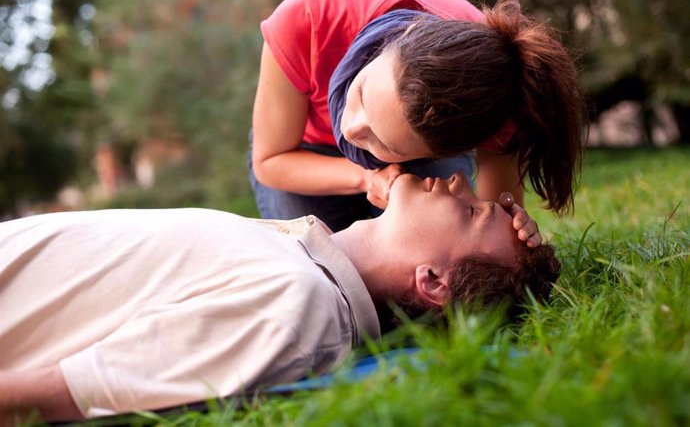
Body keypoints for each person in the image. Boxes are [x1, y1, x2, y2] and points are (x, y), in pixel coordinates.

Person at [0, 173, 560, 424]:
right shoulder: (300, 262)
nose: (461, 184)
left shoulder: (297, 303)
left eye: (469, 212)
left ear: (433, 281)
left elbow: (68, 392)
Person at [249, 0, 583, 241]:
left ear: (442, 151)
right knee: (322, 260)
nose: (349, 129)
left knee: (436, 253)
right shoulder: (310, 15)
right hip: (301, 152)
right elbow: (271, 160)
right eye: (363, 92)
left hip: (414, 159)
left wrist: (511, 233)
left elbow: (495, 214)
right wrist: (366, 176)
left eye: (382, 141)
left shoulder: (498, 99)